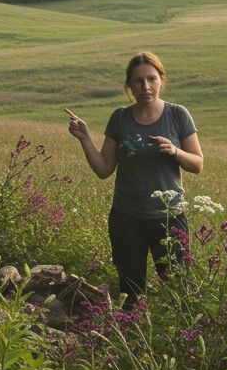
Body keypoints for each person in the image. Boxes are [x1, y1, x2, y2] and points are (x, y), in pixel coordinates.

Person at [66, 52, 204, 309]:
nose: (146, 86)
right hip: (126, 218)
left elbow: (197, 164)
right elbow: (104, 169)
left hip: (169, 217)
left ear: (162, 79)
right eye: (138, 81)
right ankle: (131, 338)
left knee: (178, 290)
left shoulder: (177, 115)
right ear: (129, 85)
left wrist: (175, 151)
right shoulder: (120, 118)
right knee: (130, 292)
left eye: (152, 79)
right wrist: (85, 138)